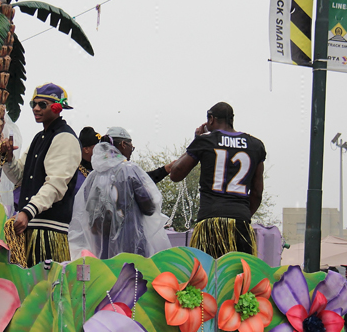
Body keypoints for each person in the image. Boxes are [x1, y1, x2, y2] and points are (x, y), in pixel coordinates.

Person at [169, 102, 266, 258]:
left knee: (206, 277)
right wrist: (241, 214)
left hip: (210, 221)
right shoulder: (256, 145)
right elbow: (257, 192)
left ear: (211, 120)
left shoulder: (205, 141)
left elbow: (175, 174)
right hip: (240, 222)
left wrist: (196, 141)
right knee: (239, 277)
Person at [0, 83, 81, 265]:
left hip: (48, 233)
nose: (36, 108)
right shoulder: (39, 138)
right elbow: (20, 177)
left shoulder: (65, 138)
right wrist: (7, 158)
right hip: (30, 229)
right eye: (33, 104)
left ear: (57, 107)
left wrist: (28, 212)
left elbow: (55, 185)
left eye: (42, 104)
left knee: (46, 289)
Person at [69, 127, 170, 259]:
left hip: (102, 250)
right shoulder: (130, 171)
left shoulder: (92, 177)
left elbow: (90, 221)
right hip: (133, 246)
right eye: (131, 147)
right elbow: (149, 208)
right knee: (132, 279)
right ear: (123, 145)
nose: (131, 152)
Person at [74, 127, 100, 195]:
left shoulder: (103, 171)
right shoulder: (73, 174)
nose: (102, 151)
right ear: (86, 149)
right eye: (98, 147)